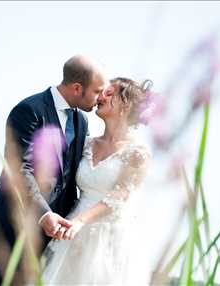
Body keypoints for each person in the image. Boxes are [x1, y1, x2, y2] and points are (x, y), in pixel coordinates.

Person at [0, 55, 106, 285]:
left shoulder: (82, 121)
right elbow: (18, 169)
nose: (99, 99)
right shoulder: (29, 110)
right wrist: (44, 214)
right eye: (97, 92)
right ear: (78, 88)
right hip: (12, 230)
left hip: (52, 240)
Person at [42, 77, 153, 285]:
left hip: (109, 240)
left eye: (109, 93)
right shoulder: (86, 143)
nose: (100, 96)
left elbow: (120, 196)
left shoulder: (138, 152)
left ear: (126, 106)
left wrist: (80, 221)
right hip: (72, 234)